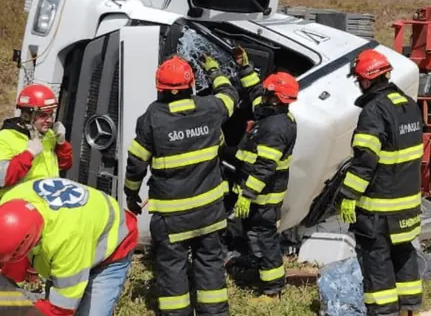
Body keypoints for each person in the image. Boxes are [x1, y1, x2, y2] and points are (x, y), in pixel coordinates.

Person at [123, 54, 239, 316]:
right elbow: (231, 95)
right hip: (210, 212)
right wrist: (214, 70)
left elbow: (136, 164)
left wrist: (131, 194)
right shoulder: (211, 108)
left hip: (172, 218)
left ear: (159, 88)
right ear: (191, 85)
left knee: (172, 270)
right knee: (210, 265)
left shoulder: (152, 118)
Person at [337, 49, 425, 316]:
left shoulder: (374, 111)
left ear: (367, 79)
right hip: (408, 204)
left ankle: (384, 312)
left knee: (377, 261)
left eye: (359, 79)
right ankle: (410, 310)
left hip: (379, 208)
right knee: (404, 254)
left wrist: (349, 195)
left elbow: (365, 160)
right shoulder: (409, 105)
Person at [0, 177, 138, 316]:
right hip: (82, 228)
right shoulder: (9, 202)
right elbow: (12, 240)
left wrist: (21, 310)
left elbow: (60, 309)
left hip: (112, 248)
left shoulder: (65, 242)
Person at [228, 47, 298, 303]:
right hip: (258, 196)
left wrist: (247, 195)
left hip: (263, 199)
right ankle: (263, 277)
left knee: (264, 240)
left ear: (278, 99)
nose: (264, 96)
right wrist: (244, 66)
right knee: (255, 236)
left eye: (270, 93)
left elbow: (264, 168)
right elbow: (255, 91)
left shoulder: (275, 128)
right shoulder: (272, 113)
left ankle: (273, 290)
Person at [0, 84, 72, 196]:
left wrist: (62, 143)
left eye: (51, 114)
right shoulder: (5, 138)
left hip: (46, 204)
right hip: (18, 206)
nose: (49, 120)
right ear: (26, 115)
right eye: (43, 115)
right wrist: (29, 154)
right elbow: (2, 178)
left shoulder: (49, 135)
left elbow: (64, 165)